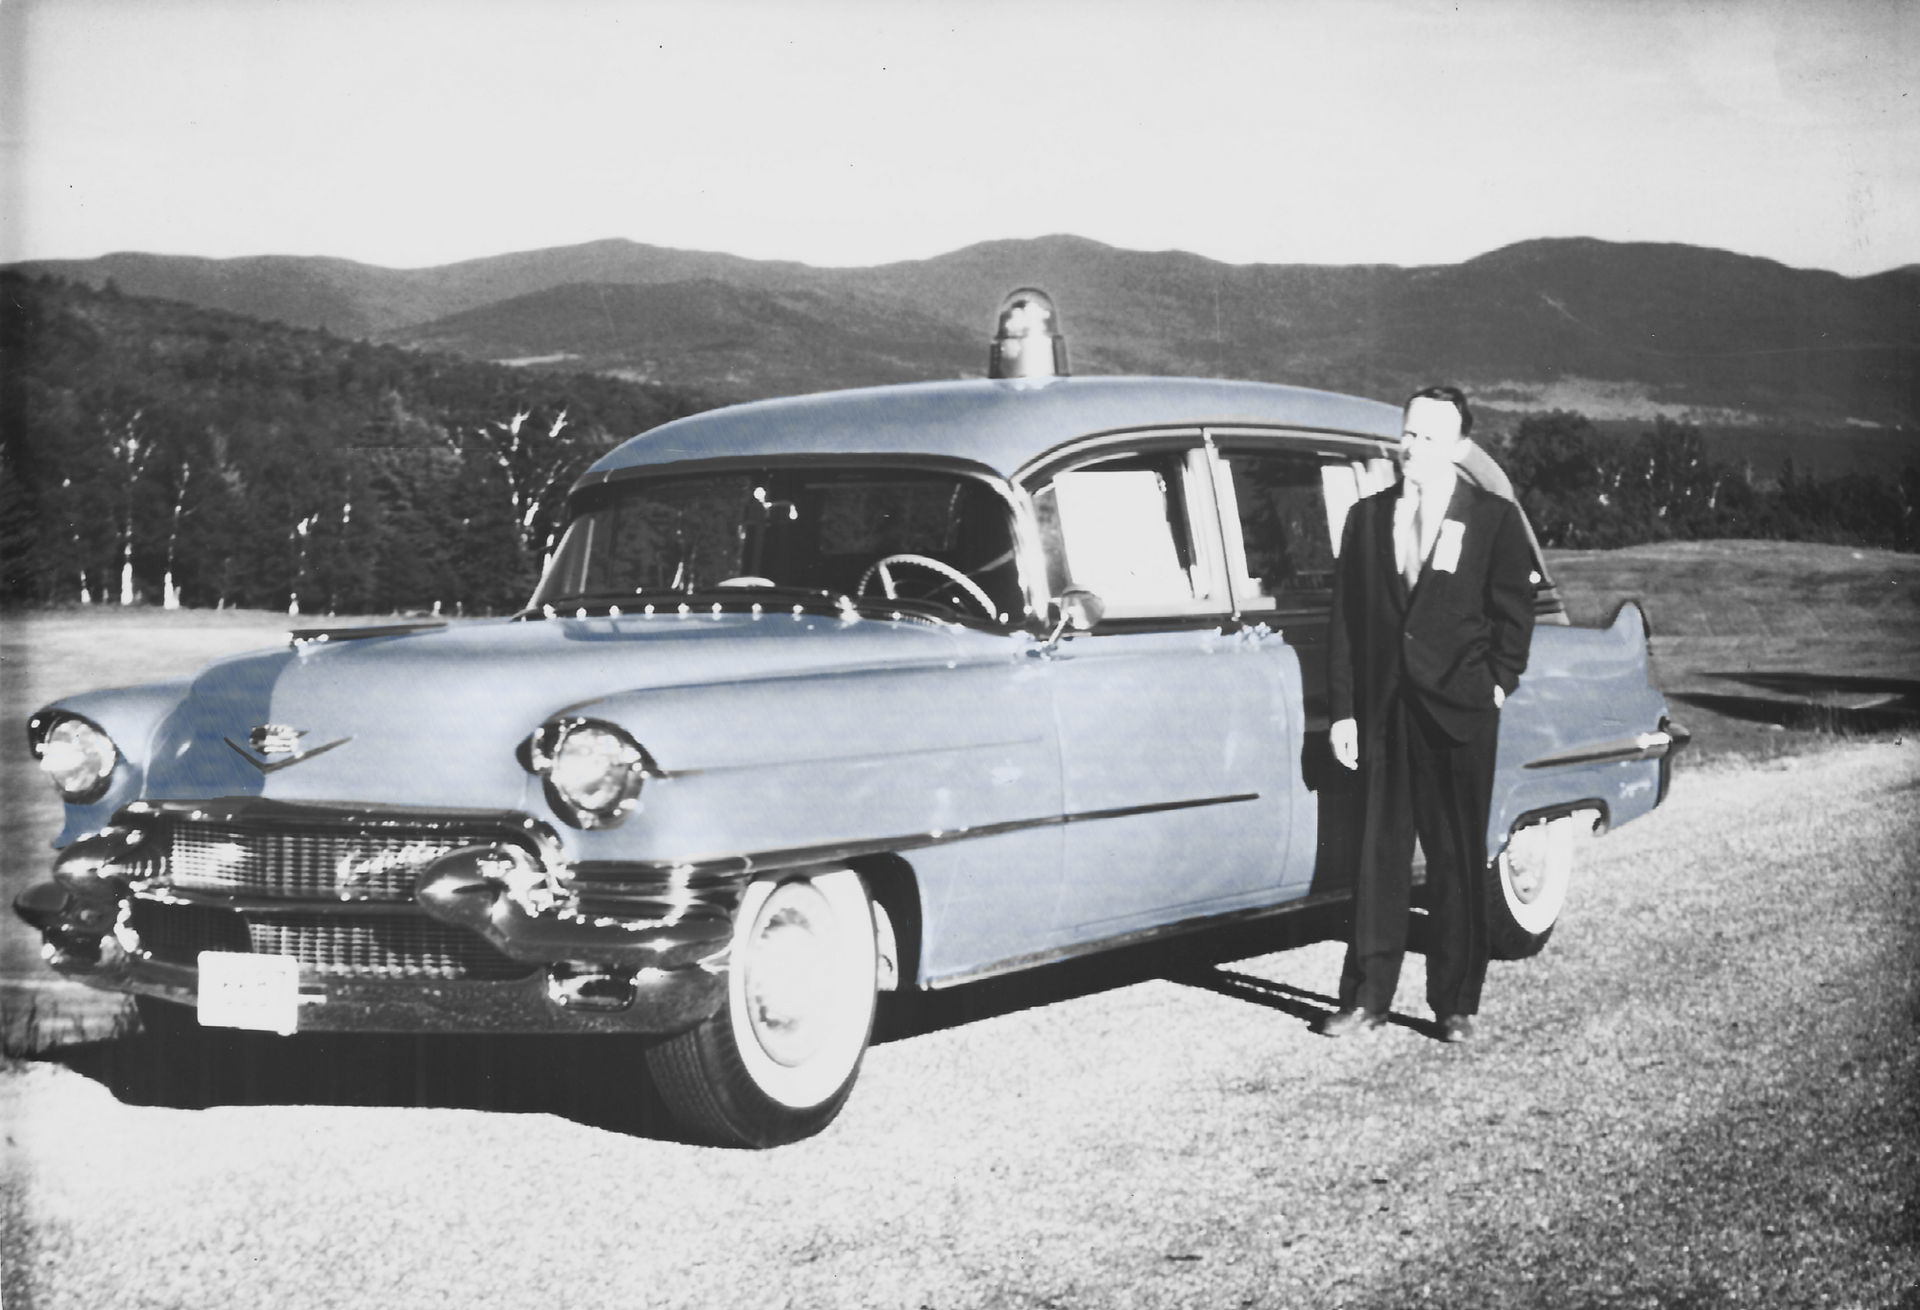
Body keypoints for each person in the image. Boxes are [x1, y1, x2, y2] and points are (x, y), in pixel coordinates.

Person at [1321, 385, 1536, 1043]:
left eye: (1429, 438)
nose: (1411, 448)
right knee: (1378, 858)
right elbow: (1347, 627)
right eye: (1408, 434)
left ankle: (1456, 1003)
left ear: (1460, 449)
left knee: (1455, 861)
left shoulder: (1493, 519)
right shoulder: (1365, 519)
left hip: (1460, 714)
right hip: (1385, 712)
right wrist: (1345, 714)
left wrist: (1497, 685)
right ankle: (1367, 998)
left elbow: (1514, 616)